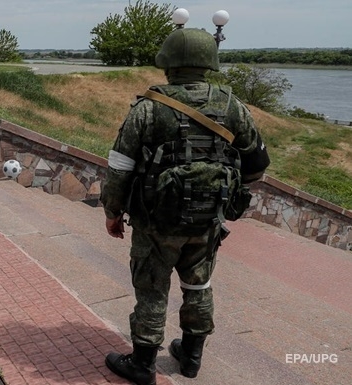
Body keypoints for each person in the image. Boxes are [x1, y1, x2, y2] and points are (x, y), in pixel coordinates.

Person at [100, 28, 270, 384]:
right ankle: (191, 357)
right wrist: (216, 193)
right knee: (198, 286)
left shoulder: (148, 108)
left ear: (167, 63)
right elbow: (256, 166)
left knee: (152, 287)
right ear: (209, 63)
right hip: (207, 222)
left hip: (156, 222)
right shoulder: (231, 106)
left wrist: (113, 212)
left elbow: (119, 169)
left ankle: (143, 364)